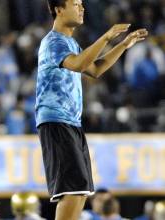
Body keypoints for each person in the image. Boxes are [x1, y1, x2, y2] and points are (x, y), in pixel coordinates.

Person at [35, 0, 148, 219]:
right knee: (71, 191)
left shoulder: (70, 43)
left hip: (71, 123)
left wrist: (123, 44)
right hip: (56, 121)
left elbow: (95, 69)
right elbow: (77, 64)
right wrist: (106, 36)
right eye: (75, 4)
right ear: (58, 9)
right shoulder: (53, 42)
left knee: (80, 192)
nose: (82, 8)